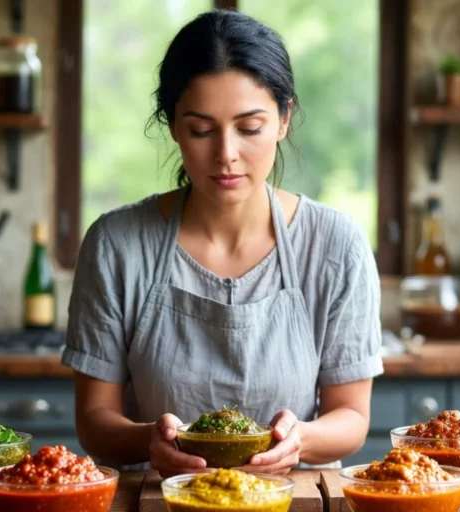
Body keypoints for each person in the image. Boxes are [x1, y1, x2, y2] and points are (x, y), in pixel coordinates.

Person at [62, 9, 382, 477]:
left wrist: (300, 439)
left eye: (249, 128)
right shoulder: (116, 245)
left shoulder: (337, 245)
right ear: (173, 125)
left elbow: (351, 417)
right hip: (162, 500)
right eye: (201, 129)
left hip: (290, 500)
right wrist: (147, 440)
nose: (226, 154)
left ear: (283, 118)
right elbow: (95, 420)